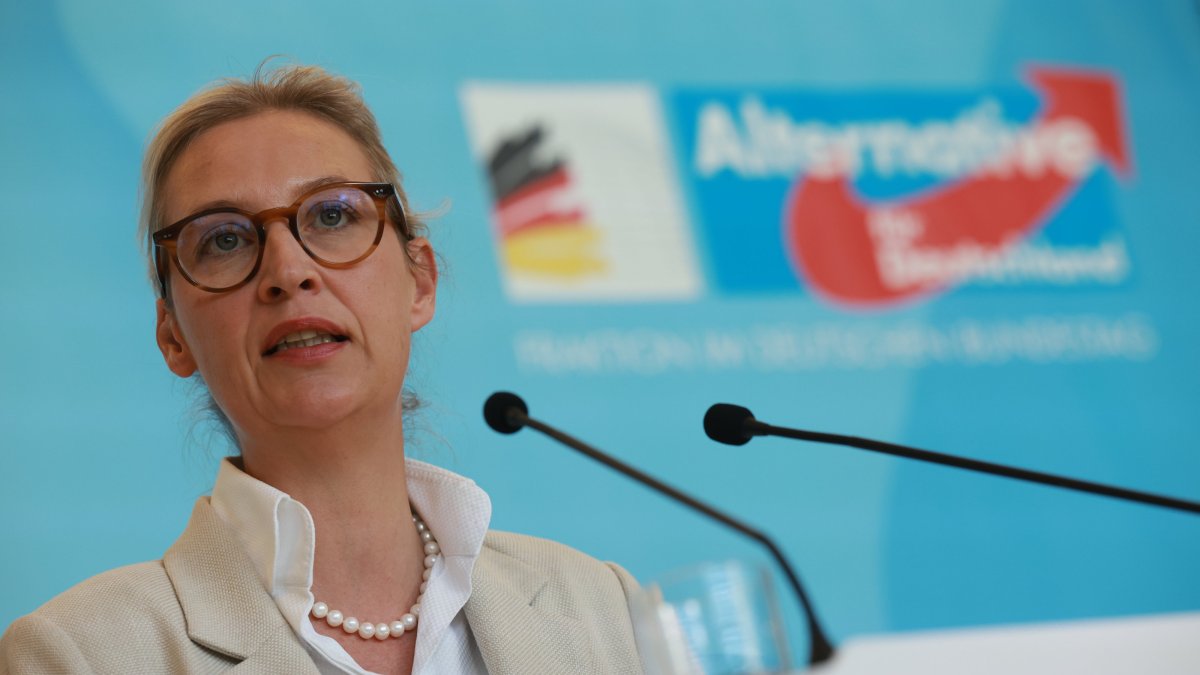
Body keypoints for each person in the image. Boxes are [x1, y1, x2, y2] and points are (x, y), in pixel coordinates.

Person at [0, 63, 643, 674]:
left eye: (333, 215)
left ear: (420, 282)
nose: (288, 271)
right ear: (173, 337)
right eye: (224, 239)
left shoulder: (606, 610)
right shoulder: (80, 655)